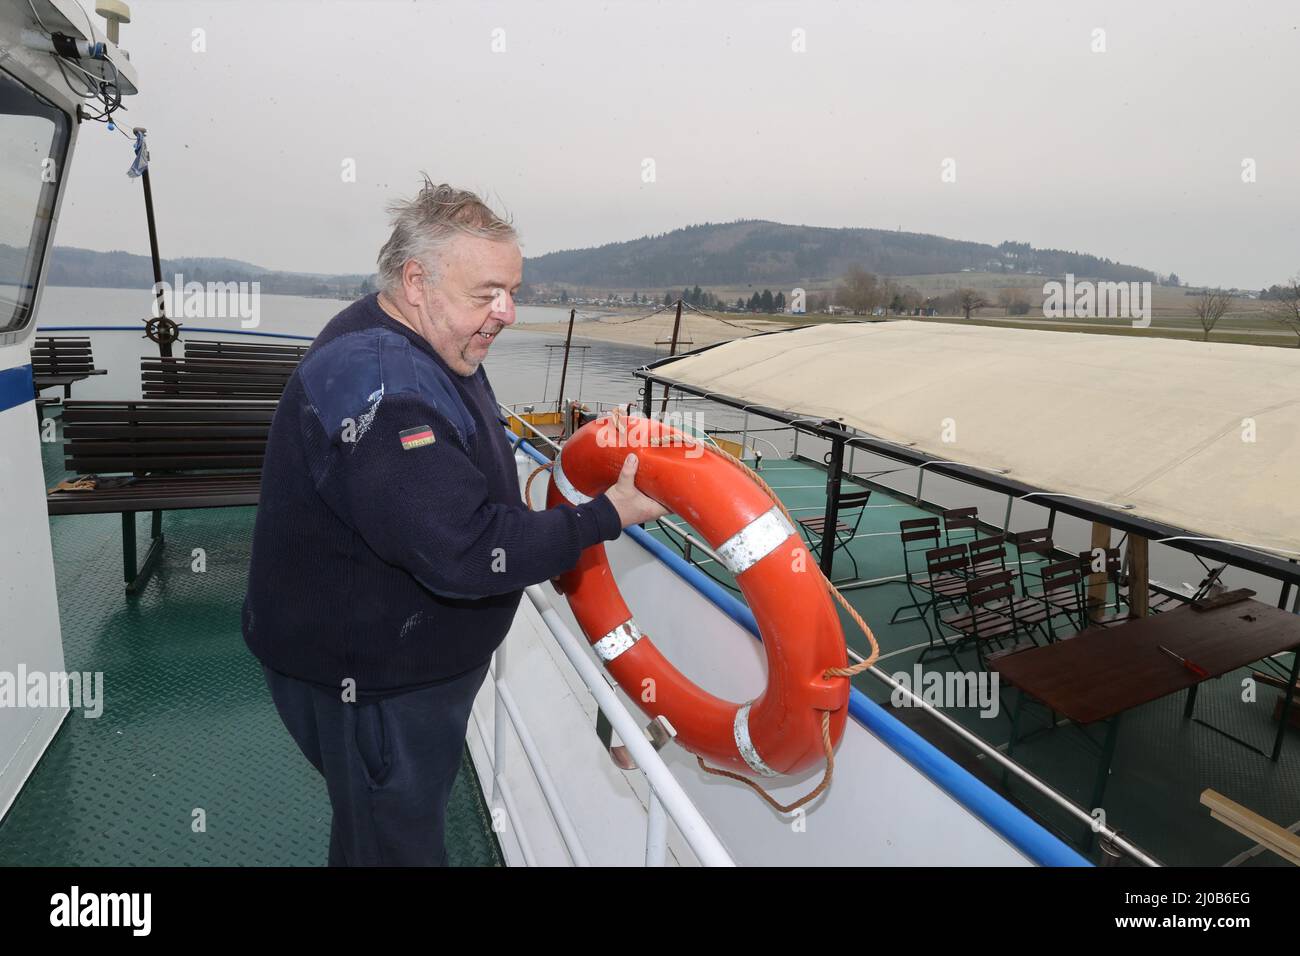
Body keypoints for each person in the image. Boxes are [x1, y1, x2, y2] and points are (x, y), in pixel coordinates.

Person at [242, 177, 667, 865]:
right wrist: (603, 517)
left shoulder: (423, 336)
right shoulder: (384, 391)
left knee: (376, 826)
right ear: (417, 281)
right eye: (487, 294)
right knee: (390, 847)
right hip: (374, 687)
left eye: (513, 290)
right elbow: (465, 553)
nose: (506, 312)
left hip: (389, 667)